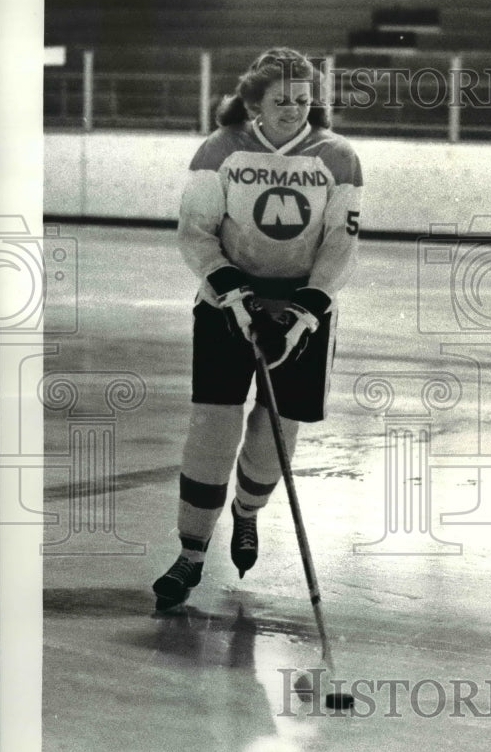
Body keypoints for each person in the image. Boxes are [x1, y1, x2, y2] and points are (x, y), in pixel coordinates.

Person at [152, 47, 363, 610]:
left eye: (302, 100)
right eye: (281, 101)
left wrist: (305, 313)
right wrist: (231, 292)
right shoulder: (220, 150)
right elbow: (196, 232)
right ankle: (191, 555)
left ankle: (247, 513)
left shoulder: (337, 156)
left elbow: (342, 243)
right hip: (227, 305)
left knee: (273, 440)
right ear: (254, 103)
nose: (294, 110)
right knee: (212, 432)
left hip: (302, 312)